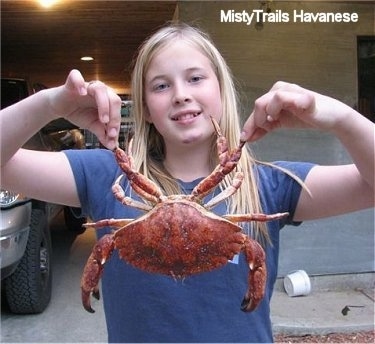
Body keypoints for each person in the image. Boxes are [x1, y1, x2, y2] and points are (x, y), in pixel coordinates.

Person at [1, 23, 373, 343]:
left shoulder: (268, 186)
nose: (181, 94)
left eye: (196, 78)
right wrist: (50, 103)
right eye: (161, 85)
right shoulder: (107, 174)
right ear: (144, 106)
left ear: (221, 90)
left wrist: (339, 117)